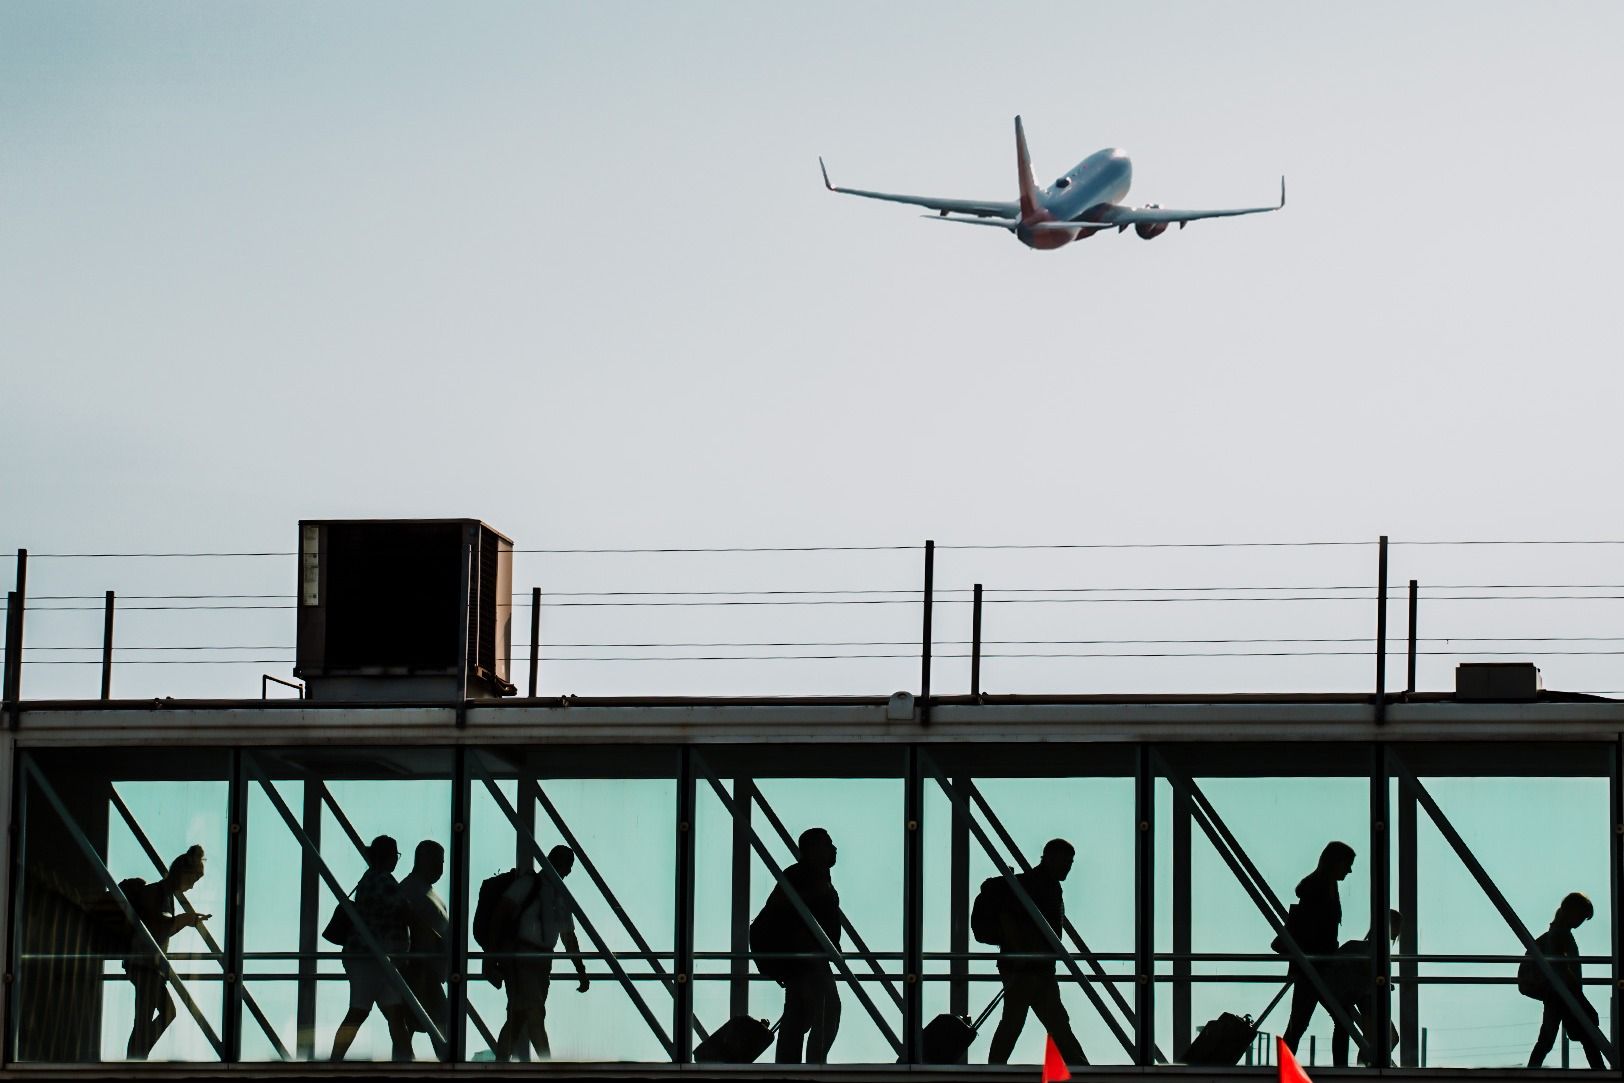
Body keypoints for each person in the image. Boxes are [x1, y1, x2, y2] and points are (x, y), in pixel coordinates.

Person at [987, 839, 1087, 1067]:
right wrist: (1023, 955)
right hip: (1031, 967)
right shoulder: (1038, 885)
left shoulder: (1038, 884)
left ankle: (993, 1069)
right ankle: (1082, 1070)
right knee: (1050, 1023)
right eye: (1065, 862)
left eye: (1070, 863)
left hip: (1031, 966)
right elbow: (1008, 919)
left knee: (1019, 1021)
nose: (1068, 867)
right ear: (1050, 858)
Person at [754, 827, 844, 1064]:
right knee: (827, 1009)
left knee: (799, 1014)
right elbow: (786, 919)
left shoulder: (805, 877)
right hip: (806, 959)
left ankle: (789, 1065)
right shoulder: (805, 878)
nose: (834, 849)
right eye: (828, 844)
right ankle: (813, 1063)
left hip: (802, 959)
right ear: (813, 850)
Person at [494, 845, 590, 1061]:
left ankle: (500, 1065)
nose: (568, 871)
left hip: (537, 961)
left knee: (518, 1017)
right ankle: (548, 1068)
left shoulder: (551, 892)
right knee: (535, 1014)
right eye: (566, 864)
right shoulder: (532, 885)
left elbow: (568, 937)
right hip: (525, 959)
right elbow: (568, 937)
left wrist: (581, 970)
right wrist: (580, 970)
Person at [331, 835, 412, 1062]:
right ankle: (408, 1063)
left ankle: (335, 1061)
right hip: (373, 959)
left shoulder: (369, 879)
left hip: (371, 958)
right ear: (389, 857)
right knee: (368, 1012)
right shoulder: (384, 881)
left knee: (388, 1013)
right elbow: (404, 912)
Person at [125, 845, 210, 1060]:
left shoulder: (165, 894)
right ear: (184, 874)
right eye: (193, 880)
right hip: (145, 964)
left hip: (149, 965)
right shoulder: (155, 893)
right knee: (155, 1015)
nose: (192, 886)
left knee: (150, 1017)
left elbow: (160, 926)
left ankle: (137, 1057)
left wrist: (182, 921)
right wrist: (182, 921)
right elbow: (156, 928)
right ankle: (135, 1060)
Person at [1281, 841, 1356, 1054]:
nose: (1349, 870)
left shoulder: (1321, 887)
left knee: (1299, 1024)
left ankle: (1284, 1070)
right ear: (1336, 863)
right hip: (1316, 967)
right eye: (1347, 864)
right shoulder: (1321, 891)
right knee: (1340, 1019)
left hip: (1314, 966)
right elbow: (1315, 932)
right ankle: (1340, 1072)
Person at [1526, 892, 1606, 1069]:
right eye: (1581, 917)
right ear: (1572, 912)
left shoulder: (1556, 934)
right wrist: (1579, 997)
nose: (1581, 922)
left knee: (1548, 1038)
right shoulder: (1560, 936)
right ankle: (1599, 1071)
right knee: (1587, 1034)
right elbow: (1562, 969)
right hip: (1562, 993)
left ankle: (1531, 1071)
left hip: (1557, 993)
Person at [1328, 909, 1401, 1067]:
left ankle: (1364, 1066)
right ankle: (1365, 1066)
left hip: (1358, 995)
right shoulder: (1373, 951)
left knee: (1379, 1039)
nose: (1399, 931)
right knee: (1386, 1038)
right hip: (1366, 997)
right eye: (1397, 926)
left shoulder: (1361, 948)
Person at [399, 840, 450, 1057]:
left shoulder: (419, 890)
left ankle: (404, 1064)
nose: (440, 869)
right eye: (437, 862)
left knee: (416, 1021)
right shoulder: (411, 890)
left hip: (428, 968)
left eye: (442, 863)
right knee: (435, 1020)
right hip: (419, 969)